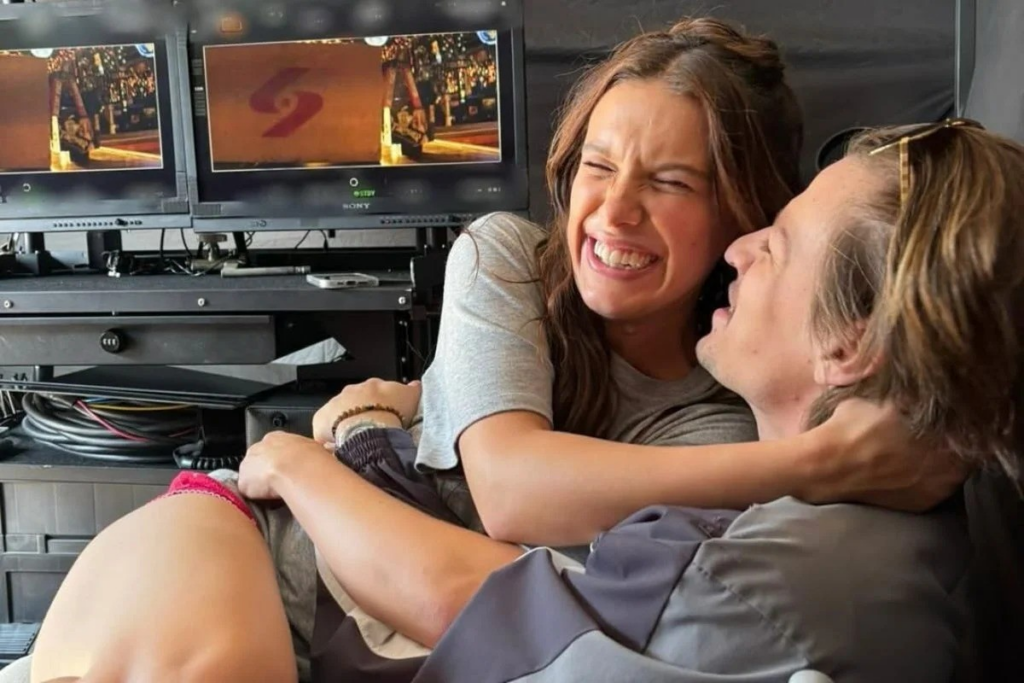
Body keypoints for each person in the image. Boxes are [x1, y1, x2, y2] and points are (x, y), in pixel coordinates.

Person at [27, 19, 963, 683]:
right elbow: (512, 489)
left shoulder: (727, 425)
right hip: (257, 543)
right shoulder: (507, 254)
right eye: (598, 166)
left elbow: (511, 579)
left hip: (353, 613)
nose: (614, 211)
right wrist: (817, 460)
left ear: (745, 214)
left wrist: (360, 423)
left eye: (672, 182)